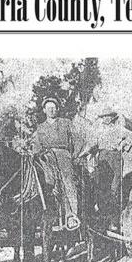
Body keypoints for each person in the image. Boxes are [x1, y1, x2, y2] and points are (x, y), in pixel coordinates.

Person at [32, 96, 80, 231]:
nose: (51, 110)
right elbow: (36, 145)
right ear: (44, 110)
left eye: (53, 108)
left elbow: (77, 140)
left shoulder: (66, 123)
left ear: (58, 109)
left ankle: (71, 215)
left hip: (63, 156)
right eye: (48, 108)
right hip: (45, 157)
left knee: (67, 180)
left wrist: (74, 155)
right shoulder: (40, 128)